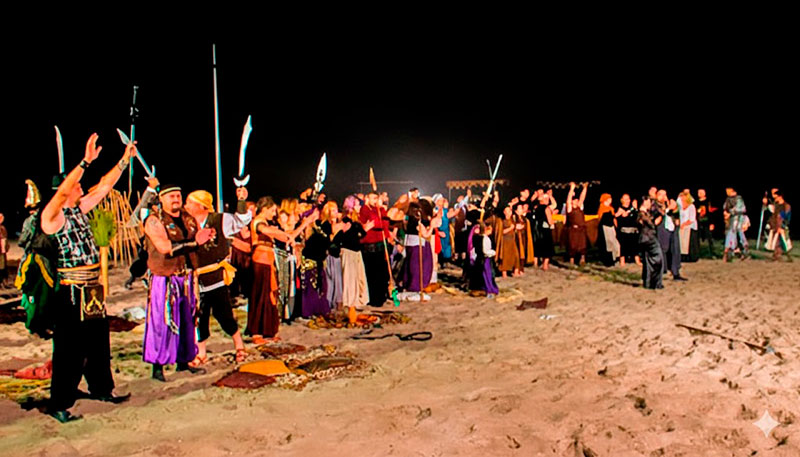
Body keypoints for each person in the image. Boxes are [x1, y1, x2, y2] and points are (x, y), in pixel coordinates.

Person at [39, 133, 135, 422]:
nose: (81, 186)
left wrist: (123, 161)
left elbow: (104, 187)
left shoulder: (79, 209)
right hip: (70, 291)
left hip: (92, 288)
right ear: (65, 190)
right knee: (69, 350)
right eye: (76, 185)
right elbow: (62, 193)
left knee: (98, 342)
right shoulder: (52, 217)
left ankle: (101, 388)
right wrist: (84, 162)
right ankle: (60, 403)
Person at [143, 184, 215, 382]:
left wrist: (206, 238)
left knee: (187, 320)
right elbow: (165, 247)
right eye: (171, 196)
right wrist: (195, 242)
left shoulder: (187, 218)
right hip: (164, 278)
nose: (176, 199)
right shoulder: (154, 220)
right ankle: (157, 367)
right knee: (162, 321)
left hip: (186, 277)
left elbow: (197, 240)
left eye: (178, 195)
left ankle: (183, 361)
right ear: (162, 199)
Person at [183, 188, 252, 366]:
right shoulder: (186, 223)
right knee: (199, 316)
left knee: (224, 314)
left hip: (216, 277)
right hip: (195, 279)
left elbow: (242, 220)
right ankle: (201, 352)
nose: (186, 205)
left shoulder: (220, 220)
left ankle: (239, 345)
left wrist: (242, 201)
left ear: (200, 205)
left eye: (190, 202)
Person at [359, 191, 392, 307]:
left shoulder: (381, 210)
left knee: (382, 272)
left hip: (380, 243)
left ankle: (383, 295)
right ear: (368, 199)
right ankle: (374, 298)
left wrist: (380, 209)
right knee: (372, 273)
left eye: (376, 198)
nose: (374, 201)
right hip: (369, 246)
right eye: (372, 198)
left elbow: (385, 224)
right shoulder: (365, 209)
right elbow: (373, 223)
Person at [341, 195, 372, 310]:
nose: (360, 207)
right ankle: (350, 301)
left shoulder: (355, 220)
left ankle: (358, 299)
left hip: (356, 251)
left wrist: (364, 230)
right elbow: (346, 236)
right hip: (348, 252)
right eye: (358, 204)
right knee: (350, 278)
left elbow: (360, 235)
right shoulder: (346, 220)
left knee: (359, 277)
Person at [655, 190, 686, 280]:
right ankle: (662, 271)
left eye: (664, 194)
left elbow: (674, 213)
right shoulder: (655, 204)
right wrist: (669, 208)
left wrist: (676, 213)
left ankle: (675, 272)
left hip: (672, 228)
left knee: (675, 249)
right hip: (662, 229)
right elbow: (660, 213)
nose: (663, 197)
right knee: (663, 249)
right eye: (660, 195)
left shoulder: (668, 203)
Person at [637, 198, 663, 289]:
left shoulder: (644, 213)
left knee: (648, 261)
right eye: (648, 202)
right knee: (658, 259)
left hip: (645, 239)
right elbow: (651, 224)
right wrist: (659, 218)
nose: (650, 204)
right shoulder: (642, 213)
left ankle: (648, 282)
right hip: (649, 239)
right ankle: (655, 283)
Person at [468, 223, 499, 297]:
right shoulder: (485, 239)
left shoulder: (479, 238)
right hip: (485, 259)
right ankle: (488, 289)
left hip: (480, 259)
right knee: (487, 274)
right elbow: (485, 250)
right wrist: (493, 252)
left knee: (485, 274)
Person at [722, 187, 749, 262]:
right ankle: (731, 250)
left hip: (738, 219)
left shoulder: (738, 199)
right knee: (731, 233)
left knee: (739, 233)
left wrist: (730, 212)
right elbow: (725, 207)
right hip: (731, 219)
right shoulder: (728, 199)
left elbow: (741, 209)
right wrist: (726, 212)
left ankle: (743, 249)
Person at [765, 190, 792, 261]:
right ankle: (776, 255)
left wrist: (782, 226)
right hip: (775, 226)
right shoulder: (776, 205)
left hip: (781, 226)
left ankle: (787, 256)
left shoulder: (786, 206)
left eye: (776, 197)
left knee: (784, 241)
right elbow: (772, 212)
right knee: (776, 241)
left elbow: (784, 218)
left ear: (780, 197)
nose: (775, 198)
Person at [565, 182, 588, 266]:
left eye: (577, 200)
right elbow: (568, 200)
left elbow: (582, 198)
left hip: (581, 229)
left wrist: (585, 188)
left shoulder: (579, 207)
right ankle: (572, 260)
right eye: (574, 200)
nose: (577, 201)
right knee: (573, 245)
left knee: (582, 245)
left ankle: (582, 259)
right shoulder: (570, 209)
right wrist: (572, 189)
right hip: (573, 230)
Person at [495, 205, 520, 278]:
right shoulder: (501, 221)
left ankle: (515, 271)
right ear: (504, 212)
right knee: (505, 258)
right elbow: (500, 232)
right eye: (507, 211)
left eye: (510, 211)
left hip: (512, 240)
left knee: (516, 256)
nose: (509, 213)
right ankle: (504, 273)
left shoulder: (513, 219)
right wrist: (510, 228)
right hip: (505, 241)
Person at [531, 193, 555, 270]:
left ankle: (535, 263)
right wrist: (552, 221)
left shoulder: (536, 207)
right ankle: (545, 265)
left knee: (537, 246)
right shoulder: (546, 209)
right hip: (545, 229)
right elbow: (550, 220)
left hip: (537, 229)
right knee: (547, 247)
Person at [615, 194, 640, 266]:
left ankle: (637, 260)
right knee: (623, 246)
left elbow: (637, 216)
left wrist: (634, 208)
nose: (627, 201)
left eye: (628, 199)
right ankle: (622, 261)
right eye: (625, 199)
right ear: (622, 200)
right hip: (624, 231)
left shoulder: (633, 209)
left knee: (635, 246)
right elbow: (617, 216)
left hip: (633, 230)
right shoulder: (620, 208)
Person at [597, 193, 620, 266]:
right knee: (608, 244)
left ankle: (615, 258)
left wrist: (616, 227)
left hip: (611, 227)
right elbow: (600, 219)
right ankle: (609, 260)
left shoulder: (611, 208)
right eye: (609, 199)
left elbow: (613, 218)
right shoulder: (602, 208)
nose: (610, 200)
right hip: (605, 228)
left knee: (615, 243)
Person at [678, 191, 700, 262]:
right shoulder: (680, 207)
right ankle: (683, 256)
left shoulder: (691, 206)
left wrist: (684, 224)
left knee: (690, 243)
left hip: (690, 226)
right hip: (682, 227)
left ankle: (691, 257)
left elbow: (692, 218)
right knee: (682, 243)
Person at [513, 203, 534, 272]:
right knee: (518, 253)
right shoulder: (514, 218)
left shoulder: (524, 219)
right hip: (516, 238)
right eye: (520, 208)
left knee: (523, 252)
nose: (522, 210)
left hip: (523, 237)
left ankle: (521, 268)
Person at [695, 189, 715, 257]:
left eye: (701, 192)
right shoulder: (696, 202)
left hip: (707, 222)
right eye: (698, 192)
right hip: (698, 222)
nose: (699, 194)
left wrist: (711, 223)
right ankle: (699, 254)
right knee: (698, 238)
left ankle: (712, 253)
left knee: (709, 238)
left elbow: (710, 212)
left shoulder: (708, 201)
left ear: (704, 193)